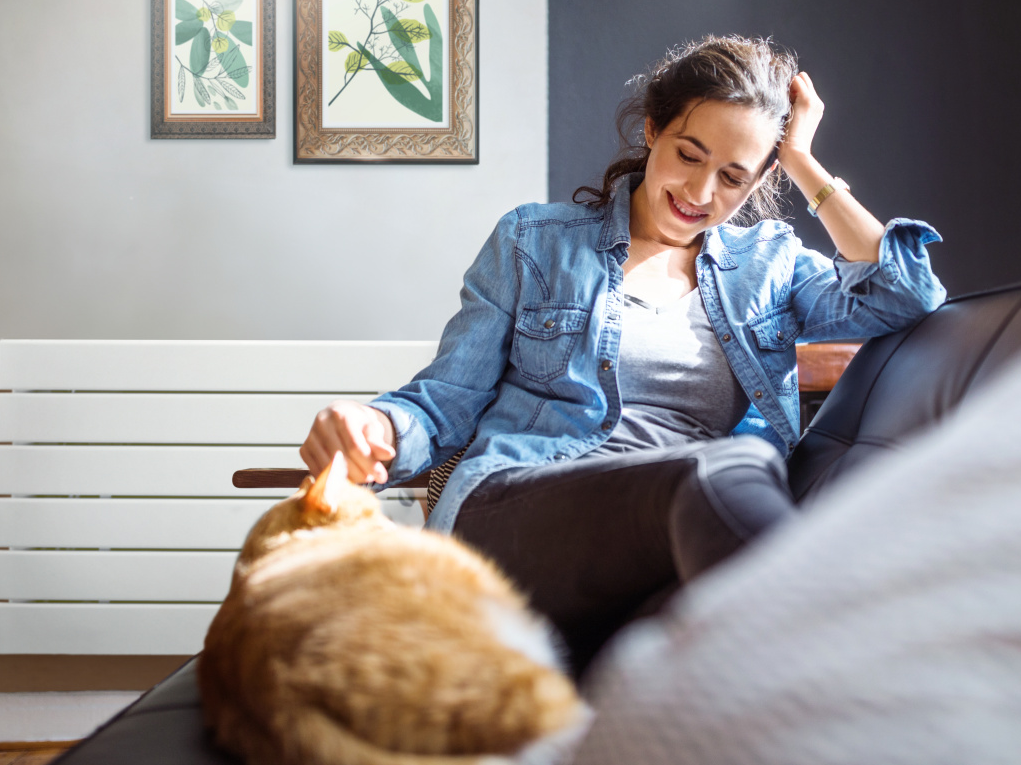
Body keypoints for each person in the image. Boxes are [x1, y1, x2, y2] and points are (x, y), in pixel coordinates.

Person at [300, 35, 945, 674]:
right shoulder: (535, 240)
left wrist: (802, 160)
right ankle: (868, 664)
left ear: (760, 180)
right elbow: (446, 401)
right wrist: (376, 424)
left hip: (674, 548)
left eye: (732, 177)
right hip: (524, 505)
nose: (699, 190)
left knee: (670, 661)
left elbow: (907, 292)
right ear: (652, 130)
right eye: (688, 154)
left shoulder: (770, 266)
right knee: (723, 471)